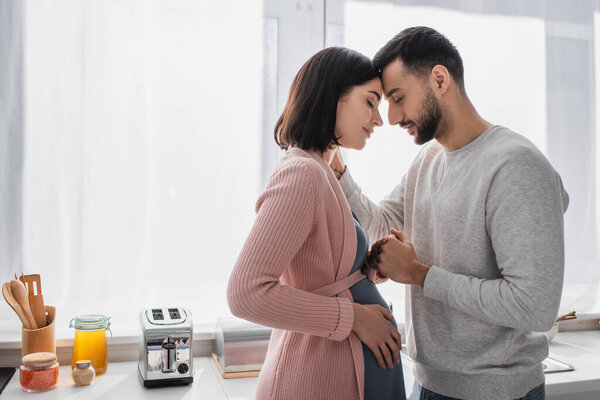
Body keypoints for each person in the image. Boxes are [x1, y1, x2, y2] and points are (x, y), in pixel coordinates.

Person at [330, 27, 569, 400]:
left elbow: (534, 308)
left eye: (398, 97)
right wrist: (338, 170)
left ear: (439, 79)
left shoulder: (515, 166)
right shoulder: (428, 159)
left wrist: (418, 274)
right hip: (427, 384)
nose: (391, 118)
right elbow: (380, 227)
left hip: (496, 394)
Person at [227, 47, 406, 400]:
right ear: (332, 97)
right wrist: (354, 317)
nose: (379, 119)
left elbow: (317, 275)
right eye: (370, 102)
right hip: (314, 379)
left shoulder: (322, 172)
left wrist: (365, 270)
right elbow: (245, 293)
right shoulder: (302, 174)